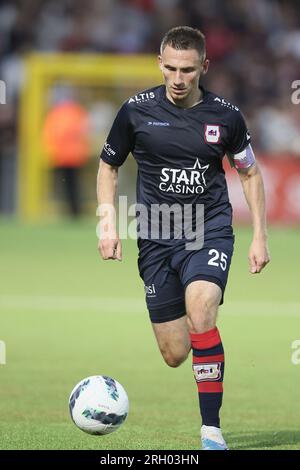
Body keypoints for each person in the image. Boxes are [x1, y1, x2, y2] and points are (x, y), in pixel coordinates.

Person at [97, 26, 270, 450]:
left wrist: (259, 235)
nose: (178, 78)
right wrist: (107, 222)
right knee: (175, 353)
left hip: (207, 229)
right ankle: (203, 343)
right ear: (160, 64)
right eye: (171, 68)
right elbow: (108, 167)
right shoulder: (134, 112)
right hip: (155, 238)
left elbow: (249, 172)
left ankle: (211, 431)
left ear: (204, 67)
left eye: (188, 70)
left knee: (202, 307)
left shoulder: (226, 116)